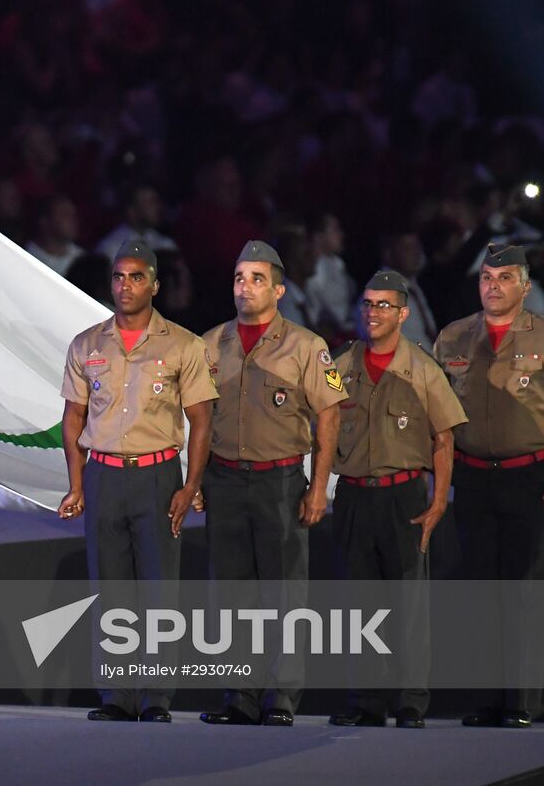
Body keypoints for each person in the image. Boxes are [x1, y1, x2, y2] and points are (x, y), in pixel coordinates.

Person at [433, 243, 544, 728]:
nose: (493, 287)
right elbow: (434, 408)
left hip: (532, 478)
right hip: (475, 478)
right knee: (482, 590)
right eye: (486, 277)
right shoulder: (455, 337)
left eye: (504, 278)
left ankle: (521, 702)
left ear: (525, 286)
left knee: (525, 591)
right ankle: (486, 699)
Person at [59, 239, 218, 723]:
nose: (125, 286)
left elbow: (202, 420)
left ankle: (155, 697)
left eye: (135, 277)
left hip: (157, 475)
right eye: (118, 277)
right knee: (110, 588)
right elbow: (72, 420)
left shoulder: (183, 344)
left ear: (154, 284)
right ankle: (115, 695)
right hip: (105, 473)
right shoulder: (87, 344)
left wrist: (191, 484)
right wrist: (77, 482)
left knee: (156, 588)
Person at [198, 240, 347, 727]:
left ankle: (280, 695)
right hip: (223, 479)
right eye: (240, 277)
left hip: (280, 480)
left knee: (283, 593)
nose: (245, 286)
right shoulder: (209, 343)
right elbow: (194, 420)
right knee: (231, 593)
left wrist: (319, 485)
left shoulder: (307, 346)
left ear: (279, 290)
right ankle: (240, 693)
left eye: (257, 278)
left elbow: (329, 416)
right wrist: (192, 480)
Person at [328, 271, 466, 730]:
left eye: (384, 305)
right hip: (353, 496)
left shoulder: (422, 368)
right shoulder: (342, 364)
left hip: (403, 495)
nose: (373, 312)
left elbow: (444, 438)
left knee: (408, 604)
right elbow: (320, 428)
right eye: (368, 304)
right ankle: (365, 699)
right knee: (359, 605)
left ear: (403, 314)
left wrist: (439, 499)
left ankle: (410, 700)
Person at [26, 195, 84, 277]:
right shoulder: (25, 256)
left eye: (73, 214)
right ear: (44, 220)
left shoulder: (81, 259)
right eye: (65, 214)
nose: (73, 219)